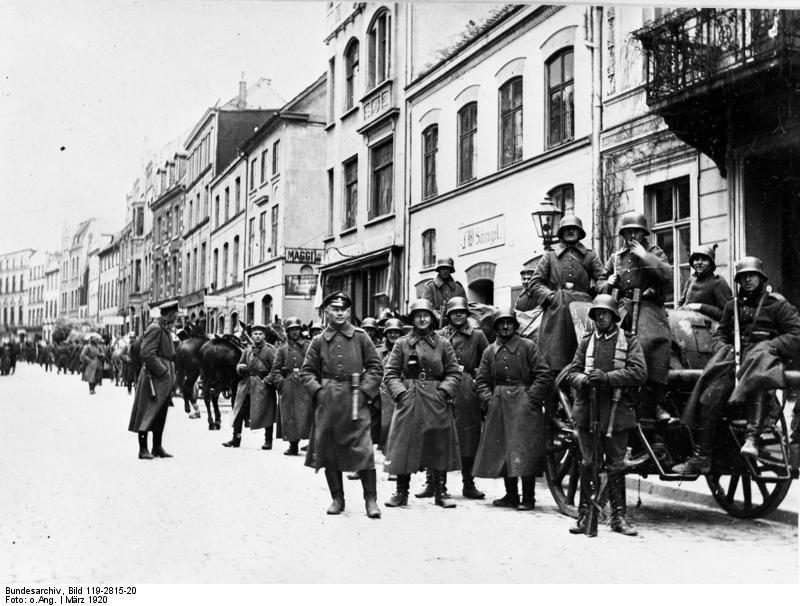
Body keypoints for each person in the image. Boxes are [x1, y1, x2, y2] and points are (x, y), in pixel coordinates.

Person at [674, 257, 800, 472]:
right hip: (735, 359)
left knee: (758, 380)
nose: (748, 280)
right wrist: (724, 348)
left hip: (764, 359)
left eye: (752, 275)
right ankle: (701, 457)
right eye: (743, 277)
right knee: (709, 397)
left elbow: (795, 334)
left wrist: (771, 346)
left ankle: (752, 439)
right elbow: (721, 332)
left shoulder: (776, 304)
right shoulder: (733, 305)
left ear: (760, 278)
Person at [564, 294, 647, 535]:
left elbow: (639, 372)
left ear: (613, 316)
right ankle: (584, 516)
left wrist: (608, 378)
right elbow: (572, 372)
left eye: (605, 313)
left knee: (616, 464)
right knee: (588, 462)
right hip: (588, 411)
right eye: (597, 313)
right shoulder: (587, 341)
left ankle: (619, 518)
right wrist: (584, 380)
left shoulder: (629, 342)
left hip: (616, 413)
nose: (601, 316)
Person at [299, 291, 384, 519]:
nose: (339, 313)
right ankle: (337, 498)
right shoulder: (318, 341)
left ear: (348, 312)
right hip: (328, 402)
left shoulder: (361, 337)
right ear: (326, 311)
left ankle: (371, 500)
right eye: (335, 309)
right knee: (330, 451)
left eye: (344, 309)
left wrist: (365, 392)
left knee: (364, 449)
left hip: (356, 399)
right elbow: (306, 372)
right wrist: (318, 392)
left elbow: (376, 368)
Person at [383, 299, 462, 509]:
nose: (422, 318)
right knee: (403, 444)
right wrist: (401, 394)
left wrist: (444, 391)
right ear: (412, 318)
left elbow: (454, 372)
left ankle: (440, 492)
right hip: (410, 398)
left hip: (436, 400)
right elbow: (390, 374)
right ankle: (401, 492)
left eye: (426, 315)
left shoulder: (443, 344)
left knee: (438, 444)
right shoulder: (401, 343)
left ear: (432, 318)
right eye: (418, 315)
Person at [597, 212, 674, 423]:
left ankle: (656, 401)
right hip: (622, 307)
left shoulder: (654, 251)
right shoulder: (616, 257)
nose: (632, 236)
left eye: (636, 232)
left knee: (653, 341)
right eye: (628, 232)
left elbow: (666, 275)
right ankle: (618, 394)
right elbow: (599, 283)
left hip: (649, 305)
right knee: (613, 344)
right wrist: (609, 282)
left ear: (643, 233)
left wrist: (644, 255)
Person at [473, 308, 553, 510]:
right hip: (498, 404)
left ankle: (528, 497)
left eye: (509, 322)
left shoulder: (528, 347)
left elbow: (544, 375)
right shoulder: (490, 351)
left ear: (515, 325)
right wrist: (489, 401)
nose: (506, 326)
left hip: (524, 405)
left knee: (525, 450)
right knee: (504, 450)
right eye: (501, 323)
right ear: (496, 327)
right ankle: (511, 495)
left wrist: (531, 399)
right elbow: (481, 381)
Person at [531, 215, 604, 370]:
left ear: (580, 232)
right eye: (567, 229)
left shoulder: (590, 256)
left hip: (582, 308)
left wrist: (592, 293)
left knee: (582, 349)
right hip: (557, 309)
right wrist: (550, 297)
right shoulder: (550, 256)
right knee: (554, 353)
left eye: (574, 229)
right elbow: (536, 283)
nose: (571, 231)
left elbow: (602, 279)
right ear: (561, 233)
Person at [436, 296, 489, 500]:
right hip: (443, 387)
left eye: (462, 312)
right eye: (454, 312)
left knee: (468, 438)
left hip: (467, 389)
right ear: (448, 315)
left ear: (467, 314)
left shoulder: (477, 336)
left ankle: (469, 483)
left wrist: (477, 382)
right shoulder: (440, 335)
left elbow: (486, 362)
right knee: (439, 434)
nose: (458, 315)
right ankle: (436, 484)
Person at [128, 300, 179, 460]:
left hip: (163, 378)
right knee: (147, 411)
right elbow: (147, 353)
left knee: (160, 411)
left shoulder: (164, 329)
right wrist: (163, 371)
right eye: (175, 316)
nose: (176, 319)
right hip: (154, 377)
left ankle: (157, 447)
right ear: (170, 315)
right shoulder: (155, 328)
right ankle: (143, 449)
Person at [223, 324, 278, 450]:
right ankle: (236, 438)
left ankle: (268, 441)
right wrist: (240, 368)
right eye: (255, 334)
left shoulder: (270, 350)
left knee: (267, 412)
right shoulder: (247, 350)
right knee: (239, 411)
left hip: (263, 384)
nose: (258, 336)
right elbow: (240, 363)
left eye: (260, 334)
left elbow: (276, 368)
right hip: (247, 384)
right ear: (251, 336)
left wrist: (267, 380)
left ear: (264, 336)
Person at [270, 317, 313, 456]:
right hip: (289, 384)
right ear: (287, 332)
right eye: (291, 330)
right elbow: (275, 370)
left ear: (301, 331)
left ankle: (312, 445)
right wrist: (281, 384)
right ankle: (293, 445)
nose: (294, 332)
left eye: (297, 329)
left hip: (306, 383)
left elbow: (316, 365)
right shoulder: (282, 349)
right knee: (290, 415)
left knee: (308, 414)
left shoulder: (308, 346)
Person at [677, 244, 733, 322]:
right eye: (696, 259)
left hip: (709, 329)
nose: (699, 263)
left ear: (711, 263)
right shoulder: (691, 279)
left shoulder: (718, 282)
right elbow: (681, 303)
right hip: (688, 325)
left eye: (704, 260)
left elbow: (727, 314)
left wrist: (700, 307)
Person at [376, 318, 404, 453]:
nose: (393, 335)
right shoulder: (379, 351)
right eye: (390, 332)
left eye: (396, 332)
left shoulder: (406, 348)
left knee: (395, 428)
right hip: (380, 394)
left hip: (399, 392)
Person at [421, 257, 467, 326]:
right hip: (435, 325)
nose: (445, 271)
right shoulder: (430, 287)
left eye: (447, 269)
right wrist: (437, 316)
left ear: (450, 270)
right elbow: (426, 308)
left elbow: (465, 307)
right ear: (439, 270)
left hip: (456, 325)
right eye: (442, 268)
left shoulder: (458, 287)